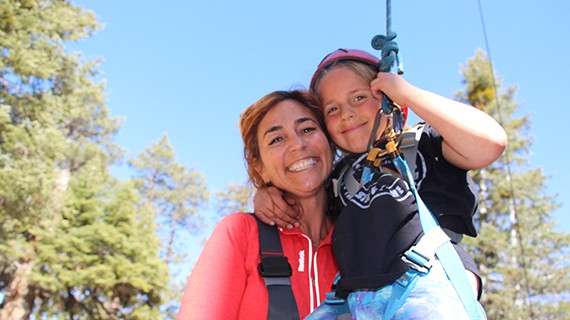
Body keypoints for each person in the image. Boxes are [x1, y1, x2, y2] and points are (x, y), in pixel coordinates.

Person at [254, 48, 508, 319]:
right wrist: (268, 194)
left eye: (360, 97)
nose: (347, 114)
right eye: (332, 109)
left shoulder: (425, 144)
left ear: (391, 101)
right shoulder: (338, 180)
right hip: (354, 298)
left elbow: (490, 142)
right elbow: (302, 205)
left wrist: (408, 92)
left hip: (430, 280)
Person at [176, 90, 341, 319]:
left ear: (330, 144)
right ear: (260, 168)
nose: (297, 145)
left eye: (307, 129)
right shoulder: (241, 233)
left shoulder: (356, 239)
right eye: (277, 139)